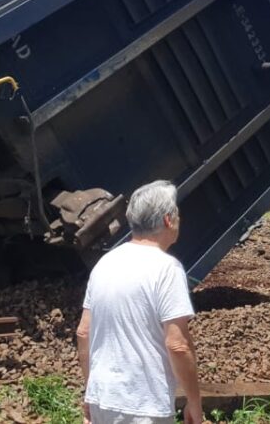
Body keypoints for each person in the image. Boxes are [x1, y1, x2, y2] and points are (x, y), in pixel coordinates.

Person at [75, 180, 202, 424]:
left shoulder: (106, 263)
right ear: (168, 220)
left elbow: (84, 332)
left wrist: (90, 392)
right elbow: (177, 345)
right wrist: (194, 402)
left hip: (103, 398)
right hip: (143, 406)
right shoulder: (167, 269)